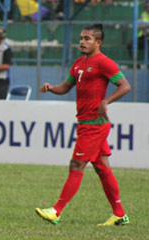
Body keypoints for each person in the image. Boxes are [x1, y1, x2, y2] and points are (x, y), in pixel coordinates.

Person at [35, 24, 131, 226]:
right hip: (86, 122)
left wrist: (106, 101)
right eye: (81, 38)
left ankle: (56, 211)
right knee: (102, 168)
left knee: (76, 165)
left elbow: (125, 86)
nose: (82, 41)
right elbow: (66, 86)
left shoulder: (104, 63)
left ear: (98, 42)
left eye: (87, 38)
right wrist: (52, 88)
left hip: (95, 124)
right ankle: (120, 214)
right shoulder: (78, 63)